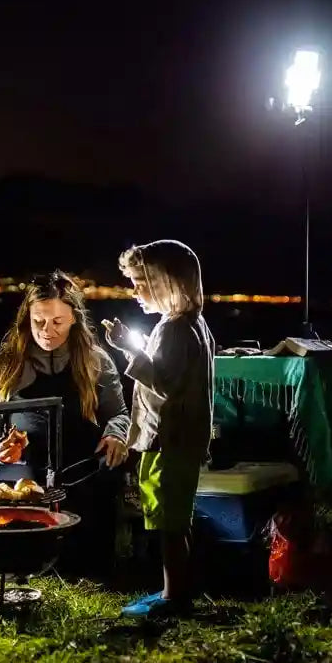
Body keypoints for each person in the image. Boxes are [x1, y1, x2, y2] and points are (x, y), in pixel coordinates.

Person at [0, 271, 130, 575]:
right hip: (24, 477)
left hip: (83, 473)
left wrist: (115, 436)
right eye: (38, 321)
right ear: (25, 319)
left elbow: (119, 414)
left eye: (57, 321)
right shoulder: (5, 366)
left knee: (88, 563)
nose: (47, 331)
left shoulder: (96, 360)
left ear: (74, 319)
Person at [103, 239, 215, 618]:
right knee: (170, 516)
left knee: (169, 520)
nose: (134, 292)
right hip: (178, 440)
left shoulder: (176, 331)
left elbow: (164, 382)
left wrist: (127, 349)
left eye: (141, 282)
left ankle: (174, 597)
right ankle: (174, 589)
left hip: (170, 441)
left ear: (169, 282)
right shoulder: (191, 325)